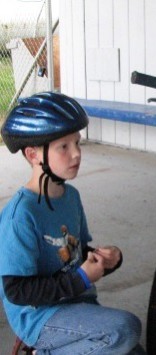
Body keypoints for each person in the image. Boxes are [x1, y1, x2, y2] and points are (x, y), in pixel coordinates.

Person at [0, 92, 146, 354]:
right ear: (34, 155)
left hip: (74, 300)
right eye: (63, 147)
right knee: (124, 328)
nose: (77, 154)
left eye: (77, 143)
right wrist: (80, 279)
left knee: (133, 351)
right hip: (38, 316)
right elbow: (17, 291)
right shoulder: (21, 214)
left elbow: (75, 255)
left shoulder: (71, 197)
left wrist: (105, 260)